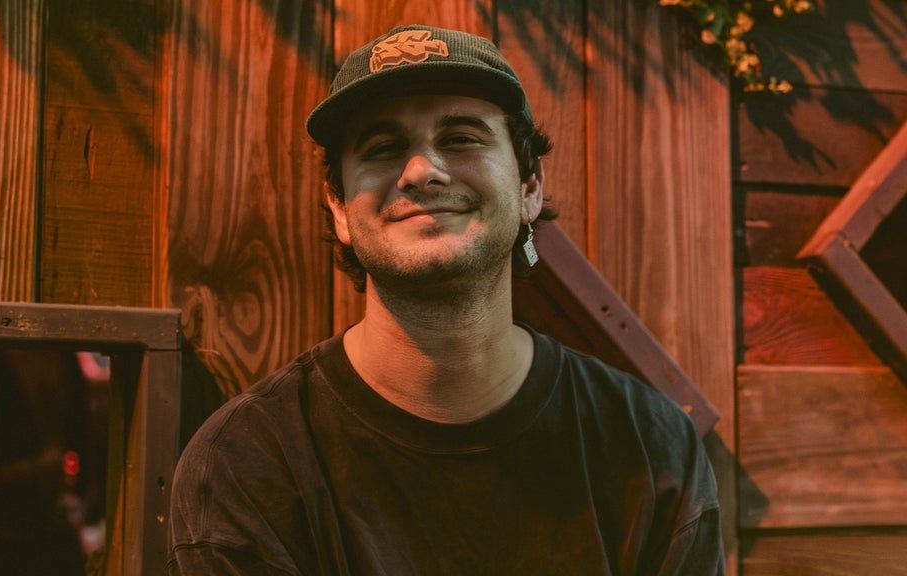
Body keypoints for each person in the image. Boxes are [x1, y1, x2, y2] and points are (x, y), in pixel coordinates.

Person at [169, 25, 724, 575]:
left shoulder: (649, 449)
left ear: (529, 186)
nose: (421, 172)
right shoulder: (246, 464)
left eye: (461, 138)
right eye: (383, 148)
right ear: (339, 207)